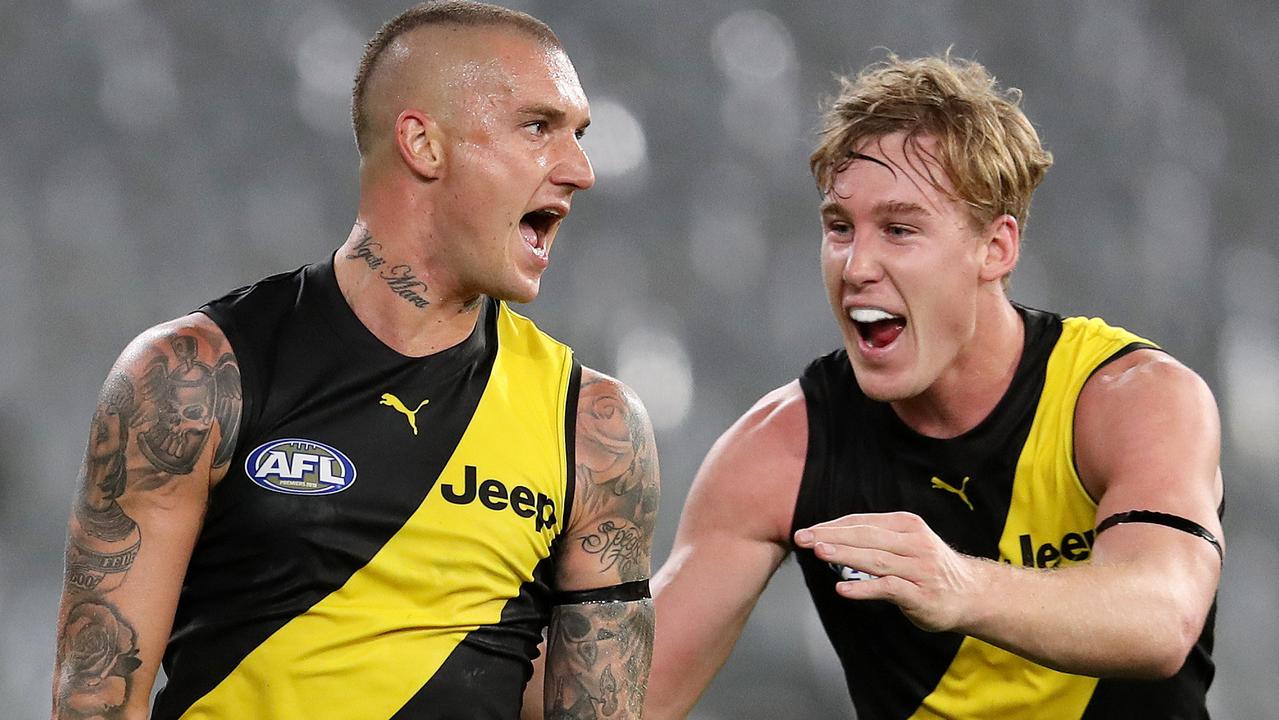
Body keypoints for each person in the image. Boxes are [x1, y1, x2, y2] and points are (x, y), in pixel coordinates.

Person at [50, 2, 659, 718]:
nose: (581, 170)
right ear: (423, 145)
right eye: (538, 127)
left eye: (578, 135)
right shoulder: (193, 377)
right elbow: (94, 703)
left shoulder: (593, 428)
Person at [646, 53, 1223, 719]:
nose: (856, 265)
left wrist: (958, 585)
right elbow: (626, 700)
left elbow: (1161, 618)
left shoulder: (1130, 398)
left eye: (898, 229)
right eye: (839, 228)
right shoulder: (781, 447)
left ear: (995, 248)